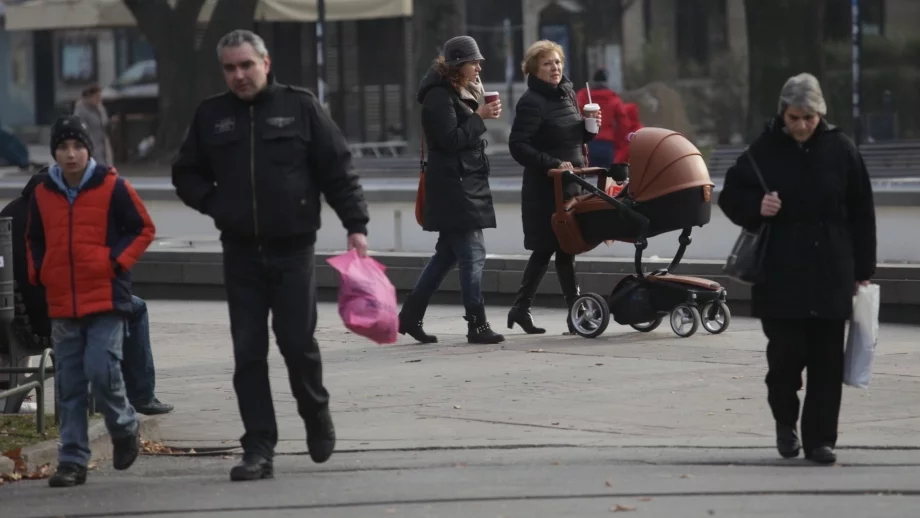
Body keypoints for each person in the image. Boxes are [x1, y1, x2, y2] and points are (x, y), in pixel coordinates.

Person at [171, 29, 370, 482]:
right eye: (230, 68)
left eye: (246, 65)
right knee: (248, 352)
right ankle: (259, 446)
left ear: (266, 63)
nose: (239, 75)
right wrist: (217, 204)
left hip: (293, 250)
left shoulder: (301, 107)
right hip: (239, 252)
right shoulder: (211, 116)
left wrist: (355, 226)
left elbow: (338, 170)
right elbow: (185, 173)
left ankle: (315, 414)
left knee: (297, 345)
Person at [718, 73, 877, 465]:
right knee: (785, 360)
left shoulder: (842, 150)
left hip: (831, 271)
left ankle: (820, 440)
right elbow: (730, 195)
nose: (802, 125)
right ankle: (785, 423)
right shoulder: (764, 149)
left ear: (821, 114)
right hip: (780, 274)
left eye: (809, 117)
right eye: (794, 117)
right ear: (782, 115)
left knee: (827, 362)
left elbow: (862, 212)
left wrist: (864, 268)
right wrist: (758, 206)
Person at [27, 115, 156, 487]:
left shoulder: (113, 186)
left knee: (103, 372)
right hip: (63, 302)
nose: (71, 154)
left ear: (89, 149)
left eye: (78, 146)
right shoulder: (42, 191)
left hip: (105, 299)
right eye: (63, 147)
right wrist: (40, 272)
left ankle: (124, 426)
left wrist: (114, 262)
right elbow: (33, 238)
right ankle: (72, 460)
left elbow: (143, 229)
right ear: (54, 152)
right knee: (69, 384)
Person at [0, 172, 173, 416]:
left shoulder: (12, 212)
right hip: (52, 318)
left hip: (14, 322)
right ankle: (140, 396)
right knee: (134, 308)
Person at [396, 35, 505, 345]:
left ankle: (410, 316)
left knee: (445, 256)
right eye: (474, 62)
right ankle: (477, 324)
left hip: (464, 183)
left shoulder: (460, 92)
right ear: (458, 65)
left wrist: (478, 116)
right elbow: (450, 141)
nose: (480, 67)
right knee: (473, 255)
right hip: (454, 188)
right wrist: (479, 117)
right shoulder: (438, 97)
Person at [506, 40, 600, 335]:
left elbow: (575, 140)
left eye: (558, 62)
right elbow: (517, 145)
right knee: (548, 248)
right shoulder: (531, 101)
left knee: (565, 248)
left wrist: (590, 126)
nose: (555, 68)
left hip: (571, 184)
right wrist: (552, 163)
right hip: (544, 188)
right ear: (534, 69)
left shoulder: (569, 94)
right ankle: (557, 312)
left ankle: (557, 312)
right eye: (547, 63)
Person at [575, 69, 621, 168]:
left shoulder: (583, 96)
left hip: (589, 143)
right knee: (607, 177)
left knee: (589, 177)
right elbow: (623, 124)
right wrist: (617, 142)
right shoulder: (614, 98)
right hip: (608, 144)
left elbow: (575, 115)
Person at [73, 84, 114, 165]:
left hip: (103, 147)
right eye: (97, 96)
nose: (99, 99)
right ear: (89, 96)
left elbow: (105, 124)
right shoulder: (81, 110)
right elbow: (79, 129)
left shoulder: (100, 108)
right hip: (90, 147)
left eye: (100, 96)